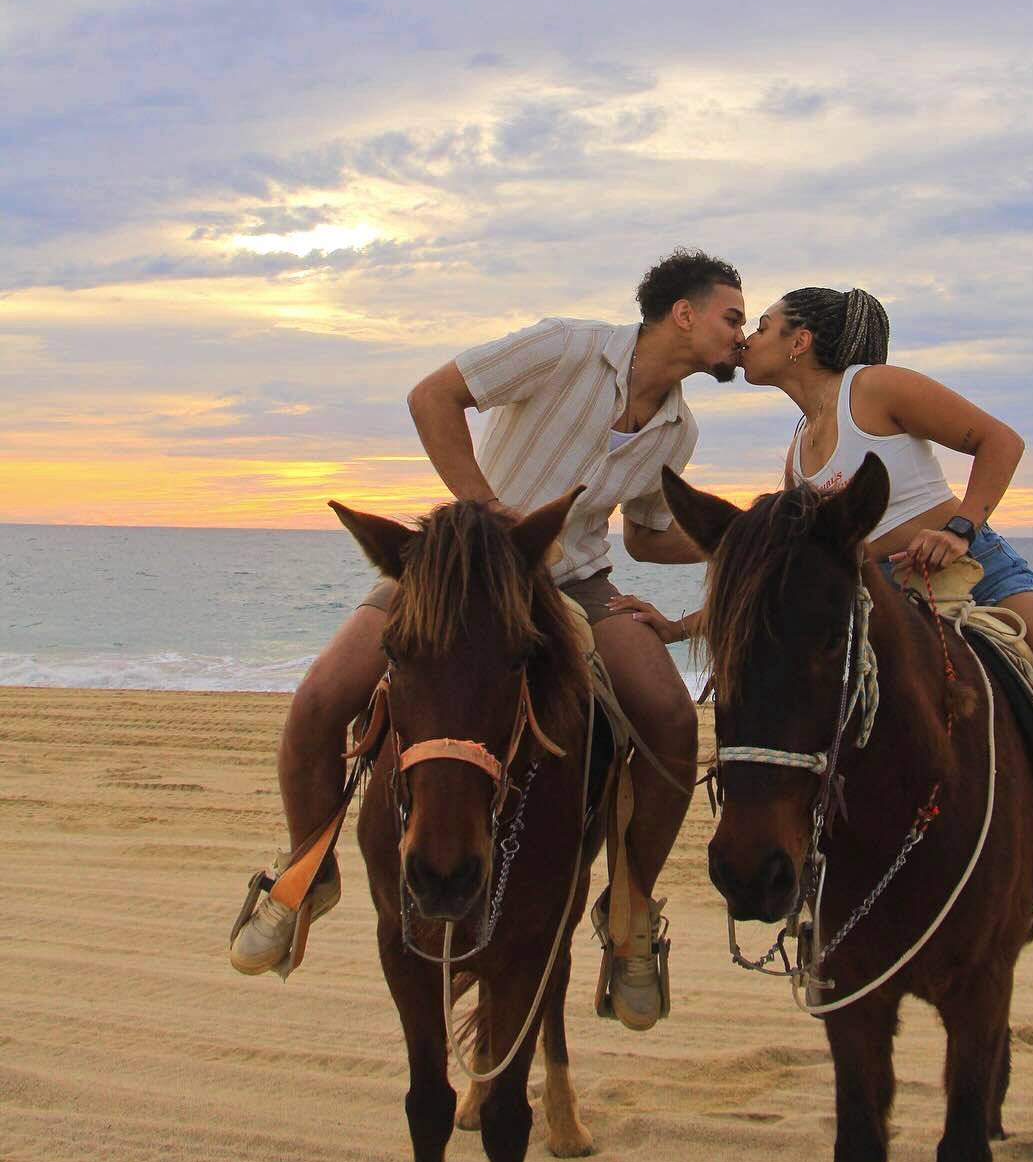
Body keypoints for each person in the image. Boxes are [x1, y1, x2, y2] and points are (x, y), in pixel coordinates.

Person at [611, 284, 1033, 994]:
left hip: (975, 577)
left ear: (800, 341)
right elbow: (795, 593)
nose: (748, 338)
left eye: (761, 325)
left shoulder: (875, 388)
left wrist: (959, 528)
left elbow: (999, 442)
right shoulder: (798, 454)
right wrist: (679, 629)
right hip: (884, 603)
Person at [229, 249, 748, 1028]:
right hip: (462, 562)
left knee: (672, 720)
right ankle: (305, 873)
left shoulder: (679, 426)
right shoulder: (566, 345)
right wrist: (486, 512)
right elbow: (432, 396)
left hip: (572, 578)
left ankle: (631, 914)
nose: (741, 336)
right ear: (684, 313)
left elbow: (643, 536)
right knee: (321, 698)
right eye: (733, 318)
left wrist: (739, 542)